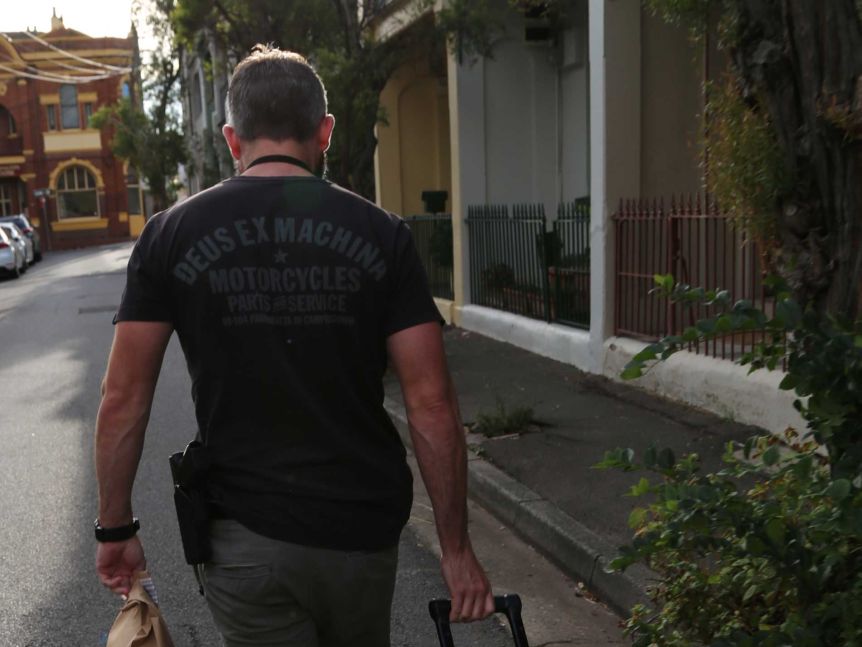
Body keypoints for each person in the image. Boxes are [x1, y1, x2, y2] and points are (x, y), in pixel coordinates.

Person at [94, 45, 494, 645]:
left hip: (244, 540)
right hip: (360, 532)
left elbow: (124, 397)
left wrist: (114, 527)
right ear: (324, 132)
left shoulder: (170, 234)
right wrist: (456, 548)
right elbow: (431, 404)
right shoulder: (383, 235)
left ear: (233, 139)